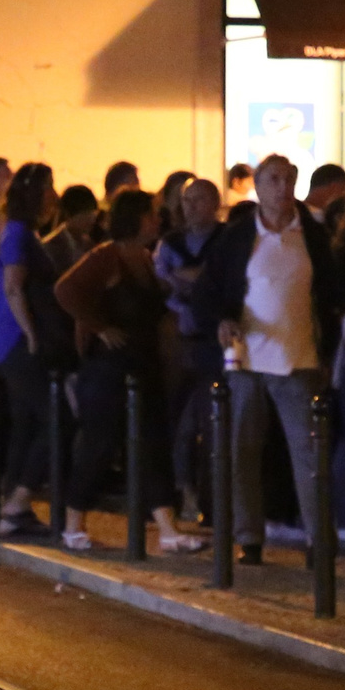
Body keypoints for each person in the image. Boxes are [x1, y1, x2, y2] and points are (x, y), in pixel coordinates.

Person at [191, 153, 338, 564]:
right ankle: (248, 536)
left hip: (299, 358)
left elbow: (330, 293)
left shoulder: (311, 232)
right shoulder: (238, 236)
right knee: (242, 450)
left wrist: (328, 348)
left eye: (288, 179)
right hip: (247, 361)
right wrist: (222, 320)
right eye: (273, 179)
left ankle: (319, 540)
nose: (282, 187)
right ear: (258, 185)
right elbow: (208, 290)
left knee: (309, 454)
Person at [54, 187, 206, 554]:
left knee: (153, 445)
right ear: (135, 218)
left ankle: (167, 528)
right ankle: (73, 524)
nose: (158, 220)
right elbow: (66, 290)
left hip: (143, 365)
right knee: (99, 445)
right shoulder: (107, 256)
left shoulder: (142, 257)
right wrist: (99, 327)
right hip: (108, 370)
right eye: (152, 213)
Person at [155, 176, 225, 521]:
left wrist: (188, 278)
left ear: (215, 203)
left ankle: (212, 502)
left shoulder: (226, 239)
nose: (191, 208)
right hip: (178, 344)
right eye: (186, 201)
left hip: (214, 343)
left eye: (198, 200)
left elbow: (218, 281)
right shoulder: (171, 242)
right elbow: (162, 281)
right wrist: (198, 279)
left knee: (213, 424)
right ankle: (183, 493)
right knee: (179, 423)